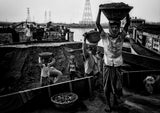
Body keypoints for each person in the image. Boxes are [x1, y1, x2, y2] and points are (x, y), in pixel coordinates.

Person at [96, 8, 130, 112]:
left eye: (117, 27)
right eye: (112, 27)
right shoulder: (104, 36)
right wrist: (100, 11)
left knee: (117, 86)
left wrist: (127, 12)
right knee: (106, 87)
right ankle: (108, 104)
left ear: (119, 27)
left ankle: (115, 101)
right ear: (109, 27)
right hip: (107, 65)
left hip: (118, 65)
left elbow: (128, 23)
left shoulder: (121, 37)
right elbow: (97, 24)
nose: (115, 29)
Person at [82, 36, 102, 100]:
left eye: (95, 48)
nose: (95, 49)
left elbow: (98, 62)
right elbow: (83, 49)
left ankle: (94, 93)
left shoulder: (95, 56)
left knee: (94, 84)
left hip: (95, 72)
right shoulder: (87, 55)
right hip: (88, 73)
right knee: (88, 86)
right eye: (94, 48)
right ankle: (89, 96)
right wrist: (84, 40)